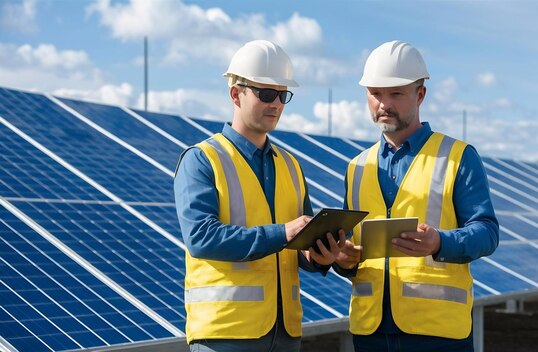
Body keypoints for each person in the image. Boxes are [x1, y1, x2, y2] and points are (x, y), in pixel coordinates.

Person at [174, 40, 345, 352]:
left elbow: (298, 244)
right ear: (235, 94)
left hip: (285, 334)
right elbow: (200, 238)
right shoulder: (202, 159)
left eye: (283, 95)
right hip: (226, 335)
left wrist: (319, 256)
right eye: (266, 93)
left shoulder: (291, 166)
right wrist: (283, 233)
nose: (277, 104)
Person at [335, 40, 499, 351]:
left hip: (437, 334)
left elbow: (487, 233)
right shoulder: (356, 167)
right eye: (375, 94)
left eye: (396, 93)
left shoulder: (458, 157)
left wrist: (440, 242)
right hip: (370, 332)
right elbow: (352, 250)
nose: (384, 103)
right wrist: (343, 260)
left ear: (420, 94)